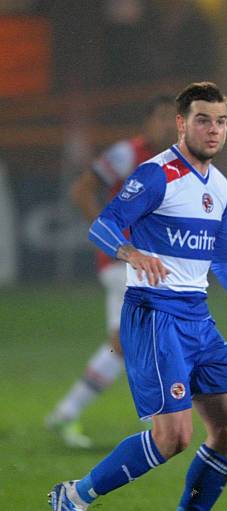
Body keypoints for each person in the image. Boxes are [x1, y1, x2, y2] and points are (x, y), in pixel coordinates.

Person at [49, 82, 227, 511]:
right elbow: (103, 224)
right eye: (203, 119)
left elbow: (224, 261)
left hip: (197, 317)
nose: (214, 129)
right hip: (155, 314)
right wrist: (130, 251)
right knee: (173, 437)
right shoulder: (157, 174)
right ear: (182, 123)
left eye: (221, 120)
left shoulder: (218, 185)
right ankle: (74, 496)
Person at [46, 96, 173, 448]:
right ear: (147, 122)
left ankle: (67, 413)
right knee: (139, 337)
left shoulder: (172, 161)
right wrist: (110, 237)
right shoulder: (127, 153)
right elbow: (81, 189)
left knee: (126, 341)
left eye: (172, 119)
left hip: (146, 264)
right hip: (124, 263)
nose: (167, 125)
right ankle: (153, 421)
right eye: (161, 117)